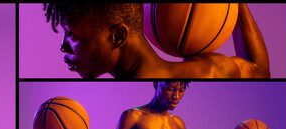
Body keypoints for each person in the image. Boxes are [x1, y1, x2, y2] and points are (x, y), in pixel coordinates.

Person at [43, 3, 270, 78]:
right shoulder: (210, 69)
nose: (63, 46)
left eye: (71, 35)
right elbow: (260, 70)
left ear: (118, 36)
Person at [46, 81, 265, 129]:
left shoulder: (178, 123)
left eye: (181, 90)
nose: (176, 95)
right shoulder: (133, 116)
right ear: (155, 83)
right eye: (170, 88)